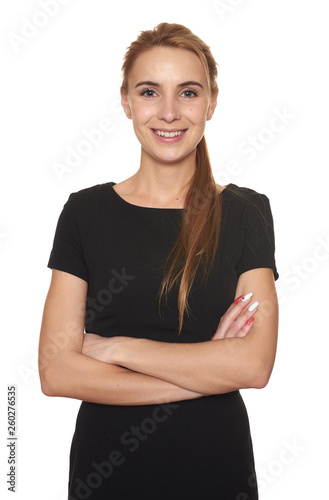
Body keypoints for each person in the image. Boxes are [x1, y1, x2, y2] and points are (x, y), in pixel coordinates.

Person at [39, 22, 279, 500]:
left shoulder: (246, 212)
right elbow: (57, 372)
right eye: (150, 92)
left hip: (216, 467)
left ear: (211, 101)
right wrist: (207, 371)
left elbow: (253, 365)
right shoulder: (86, 212)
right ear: (126, 101)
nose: (169, 112)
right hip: (106, 472)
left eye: (187, 92)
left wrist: (116, 348)